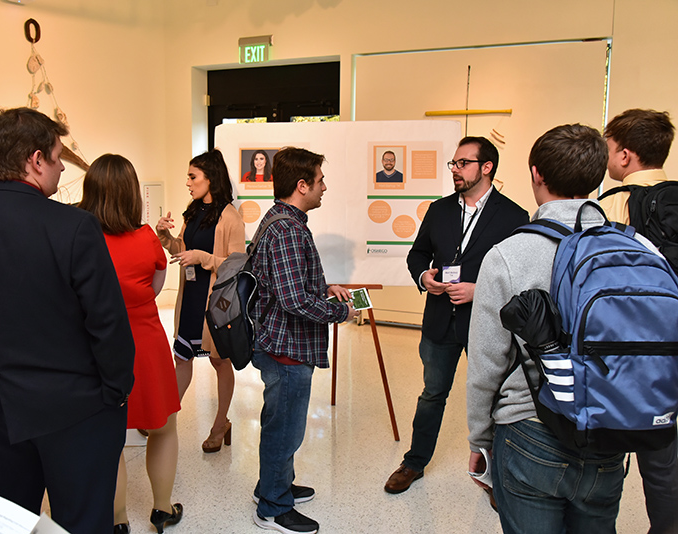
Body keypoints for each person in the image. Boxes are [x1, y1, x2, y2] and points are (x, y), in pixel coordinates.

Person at [0, 107, 135, 534]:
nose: (60, 168)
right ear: (36, 160)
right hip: (76, 408)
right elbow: (107, 323)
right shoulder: (74, 227)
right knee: (83, 520)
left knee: (12, 521)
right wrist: (115, 391)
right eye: (57, 158)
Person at [467, 124, 627, 533]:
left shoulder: (507, 255)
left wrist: (479, 441)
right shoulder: (631, 246)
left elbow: (486, 363)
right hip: (610, 428)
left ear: (536, 173)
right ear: (598, 175)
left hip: (530, 429)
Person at [384, 137, 528, 496]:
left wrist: (479, 291)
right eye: (453, 163)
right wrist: (425, 277)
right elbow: (417, 255)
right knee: (432, 393)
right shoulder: (439, 209)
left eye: (463, 163)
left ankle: (494, 475)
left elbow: (520, 276)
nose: (455, 170)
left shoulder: (514, 216)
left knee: (494, 397)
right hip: (438, 321)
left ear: (486, 167)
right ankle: (414, 462)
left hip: (485, 324)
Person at [250, 147, 358, 534]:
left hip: (282, 345)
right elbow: (293, 299)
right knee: (286, 429)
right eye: (320, 180)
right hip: (286, 350)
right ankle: (274, 507)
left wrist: (323, 286)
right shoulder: (287, 229)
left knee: (279, 423)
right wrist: (340, 312)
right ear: (302, 186)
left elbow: (289, 282)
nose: (324, 187)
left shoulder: (281, 220)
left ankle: (274, 484)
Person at [79, 154, 182, 534]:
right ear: (131, 194)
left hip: (97, 348)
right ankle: (162, 509)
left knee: (110, 439)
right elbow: (154, 291)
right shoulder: (147, 239)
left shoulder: (80, 238)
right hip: (146, 345)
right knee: (164, 428)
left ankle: (118, 519)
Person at [599, 108, 678, 534]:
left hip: (628, 349)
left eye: (609, 150)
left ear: (625, 156)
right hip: (672, 346)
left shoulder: (614, 205)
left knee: (607, 448)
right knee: (662, 455)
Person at [156, 149, 245, 453]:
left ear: (211, 178)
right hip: (191, 296)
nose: (188, 183)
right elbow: (182, 248)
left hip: (216, 302)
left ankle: (221, 424)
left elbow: (237, 265)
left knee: (220, 360)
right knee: (182, 357)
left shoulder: (230, 216)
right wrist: (166, 238)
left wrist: (203, 258)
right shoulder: (192, 211)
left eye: (193, 177)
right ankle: (165, 417)